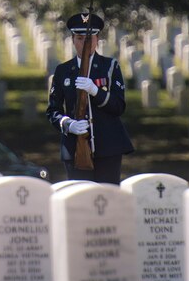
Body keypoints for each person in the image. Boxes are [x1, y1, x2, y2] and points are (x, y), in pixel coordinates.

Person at [46, 10, 133, 184]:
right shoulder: (63, 71)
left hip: (108, 146)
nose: (85, 43)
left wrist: (96, 91)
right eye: (79, 38)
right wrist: (69, 125)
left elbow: (118, 106)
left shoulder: (109, 67)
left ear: (97, 39)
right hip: (75, 148)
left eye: (89, 38)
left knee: (108, 198)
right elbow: (53, 111)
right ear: (72, 40)